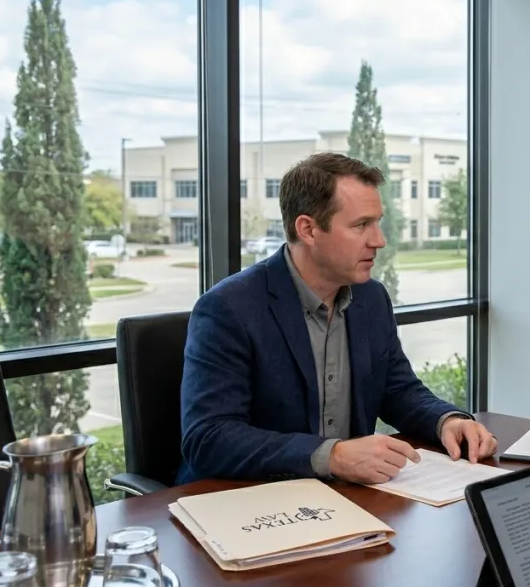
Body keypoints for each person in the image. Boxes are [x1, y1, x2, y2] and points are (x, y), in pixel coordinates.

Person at [178, 152, 497, 485]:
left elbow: (398, 390)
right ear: (308, 230)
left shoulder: (371, 298)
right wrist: (331, 455)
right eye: (361, 225)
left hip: (349, 498)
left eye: (377, 222)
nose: (379, 240)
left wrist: (446, 421)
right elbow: (209, 438)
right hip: (251, 503)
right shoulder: (229, 308)